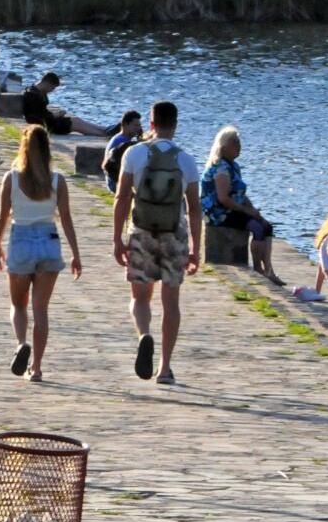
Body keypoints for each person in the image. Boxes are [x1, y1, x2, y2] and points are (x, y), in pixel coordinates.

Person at [113, 101, 202, 384]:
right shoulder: (186, 160)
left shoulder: (134, 154)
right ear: (175, 125)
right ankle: (164, 368)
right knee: (171, 302)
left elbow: (122, 197)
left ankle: (144, 335)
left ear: (151, 124)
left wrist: (117, 238)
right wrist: (196, 249)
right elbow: (195, 208)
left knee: (140, 298)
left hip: (141, 231)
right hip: (174, 234)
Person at [0, 125, 83, 382]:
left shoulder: (11, 178)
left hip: (20, 240)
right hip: (49, 242)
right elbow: (66, 219)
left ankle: (22, 342)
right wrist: (76, 254)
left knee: (18, 305)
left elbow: (2, 216)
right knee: (41, 309)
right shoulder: (58, 181)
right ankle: (37, 367)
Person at [199, 126, 282, 286]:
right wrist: (246, 211)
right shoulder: (220, 168)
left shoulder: (233, 166)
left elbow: (240, 194)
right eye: (235, 143)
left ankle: (269, 269)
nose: (239, 146)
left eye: (239, 142)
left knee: (266, 226)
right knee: (257, 228)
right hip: (219, 214)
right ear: (224, 146)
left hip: (233, 210)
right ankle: (258, 269)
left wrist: (253, 210)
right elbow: (223, 199)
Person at [21, 73, 108, 137]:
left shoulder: (38, 91)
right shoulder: (32, 95)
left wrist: (55, 114)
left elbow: (41, 112)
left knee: (76, 120)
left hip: (47, 122)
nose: (52, 90)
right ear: (47, 83)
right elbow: (38, 117)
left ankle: (104, 129)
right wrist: (56, 114)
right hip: (45, 125)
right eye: (52, 87)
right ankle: (103, 133)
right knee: (75, 124)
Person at [102, 110, 143, 193]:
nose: (138, 128)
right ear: (125, 124)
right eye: (135, 125)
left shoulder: (120, 138)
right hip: (115, 183)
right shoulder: (121, 142)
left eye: (139, 126)